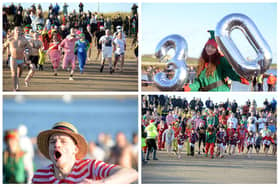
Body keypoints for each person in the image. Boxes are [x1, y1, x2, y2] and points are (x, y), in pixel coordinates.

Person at [32, 122, 138, 184]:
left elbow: (131, 173)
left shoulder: (90, 167)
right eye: (52, 142)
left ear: (75, 149)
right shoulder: (40, 176)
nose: (57, 145)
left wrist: (100, 184)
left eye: (63, 141)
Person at [184, 30, 249, 91]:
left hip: (220, 91)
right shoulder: (202, 63)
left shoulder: (221, 60)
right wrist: (189, 88)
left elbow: (231, 73)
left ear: (217, 49)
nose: (209, 49)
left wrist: (242, 77)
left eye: (213, 47)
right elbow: (198, 83)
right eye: (208, 46)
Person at [3, 26, 31, 91]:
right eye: (16, 30)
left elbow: (30, 48)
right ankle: (14, 88)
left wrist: (27, 54)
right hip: (13, 58)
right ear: (14, 31)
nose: (18, 31)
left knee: (19, 73)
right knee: (13, 73)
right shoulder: (10, 39)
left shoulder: (24, 40)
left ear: (21, 31)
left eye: (19, 30)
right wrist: (3, 51)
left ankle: (17, 83)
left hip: (21, 59)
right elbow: (4, 46)